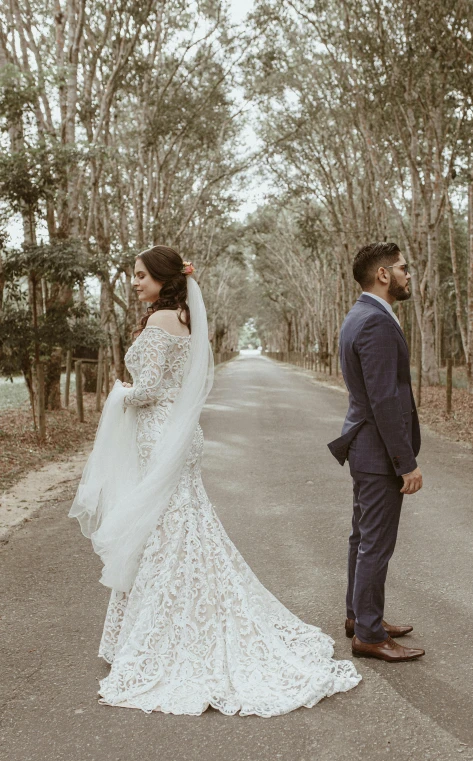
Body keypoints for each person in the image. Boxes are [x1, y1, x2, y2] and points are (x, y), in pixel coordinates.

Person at [70, 245, 361, 716]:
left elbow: (148, 391)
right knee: (179, 526)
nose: (134, 282)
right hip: (176, 435)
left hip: (160, 434)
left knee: (166, 530)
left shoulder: (162, 323)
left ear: (165, 279)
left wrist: (119, 395)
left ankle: (166, 637)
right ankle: (173, 625)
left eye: (141, 275)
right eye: (134, 275)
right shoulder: (181, 317)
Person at [328, 242, 425, 662]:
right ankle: (368, 634)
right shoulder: (376, 323)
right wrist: (407, 464)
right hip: (378, 452)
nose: (408, 275)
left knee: (363, 538)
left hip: (364, 446)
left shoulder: (359, 315)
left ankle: (361, 616)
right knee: (375, 543)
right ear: (383, 274)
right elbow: (385, 400)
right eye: (403, 268)